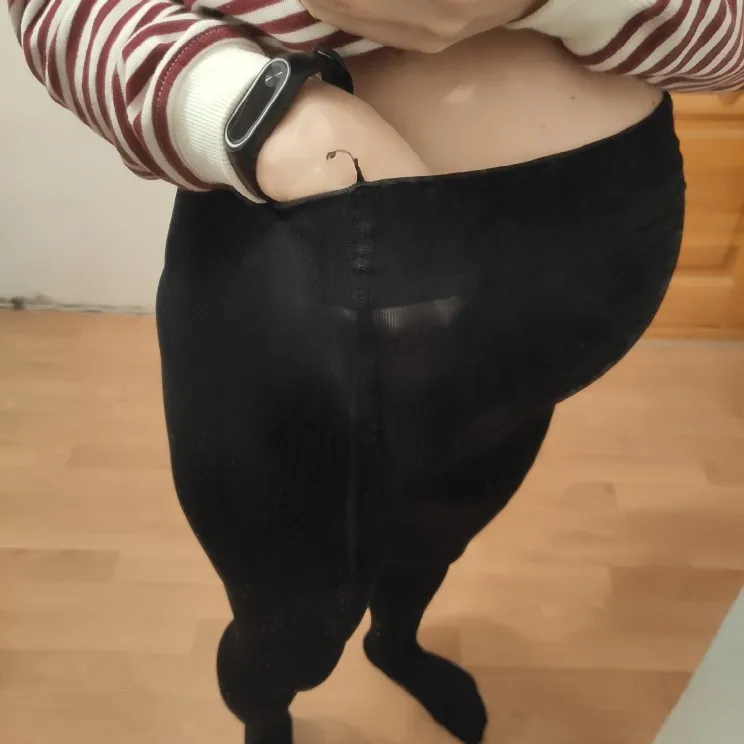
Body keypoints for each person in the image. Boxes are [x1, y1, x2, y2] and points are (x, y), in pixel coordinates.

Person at [8, 2, 742, 744]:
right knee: (290, 614)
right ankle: (266, 715)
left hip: (569, 287)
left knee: (445, 525)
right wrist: (255, 114)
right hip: (312, 254)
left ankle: (397, 640)